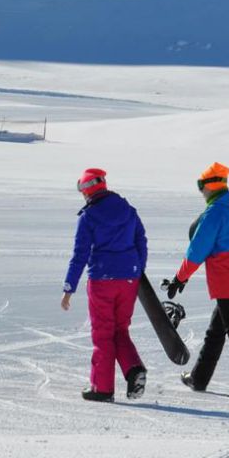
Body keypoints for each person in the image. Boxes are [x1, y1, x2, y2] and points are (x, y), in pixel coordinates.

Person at [163, 162, 229, 399]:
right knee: (216, 329)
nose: (201, 193)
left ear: (209, 187)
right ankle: (199, 377)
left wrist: (179, 279)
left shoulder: (215, 213)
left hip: (228, 279)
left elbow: (197, 250)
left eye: (201, 187)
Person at [62, 168, 149, 402]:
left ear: (88, 189)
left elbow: (80, 254)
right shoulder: (128, 210)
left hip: (103, 280)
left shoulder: (88, 216)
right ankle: (134, 369)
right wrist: (137, 269)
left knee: (103, 333)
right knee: (120, 329)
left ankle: (102, 388)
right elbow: (141, 239)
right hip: (129, 279)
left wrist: (69, 287)